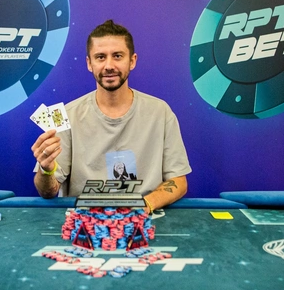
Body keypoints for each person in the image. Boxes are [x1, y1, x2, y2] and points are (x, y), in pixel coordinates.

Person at [31, 19, 191, 214]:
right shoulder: (66, 116)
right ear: (89, 64)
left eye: (117, 56)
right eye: (100, 57)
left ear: (132, 61)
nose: (109, 65)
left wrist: (144, 205)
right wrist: (46, 169)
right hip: (85, 222)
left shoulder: (160, 112)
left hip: (144, 219)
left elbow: (179, 181)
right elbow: (47, 191)